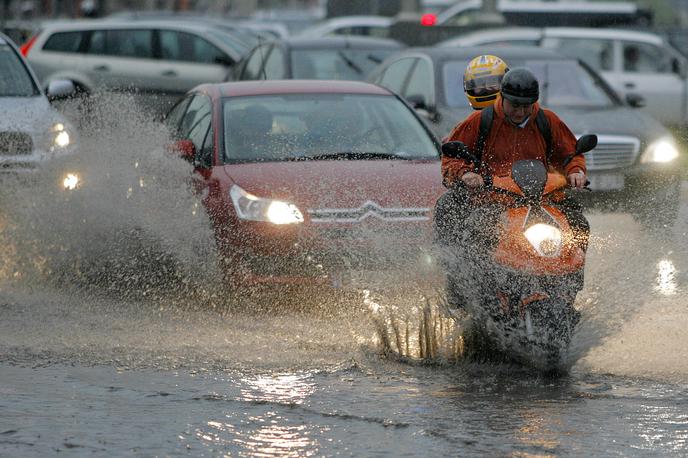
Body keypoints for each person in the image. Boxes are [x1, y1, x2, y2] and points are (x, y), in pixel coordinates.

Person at [434, 67, 589, 306]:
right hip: (493, 200)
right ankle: (475, 291)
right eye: (514, 105)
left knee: (579, 224)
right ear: (502, 98)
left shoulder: (547, 120)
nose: (520, 111)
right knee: (478, 232)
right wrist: (466, 174)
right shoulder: (480, 120)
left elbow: (570, 154)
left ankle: (569, 288)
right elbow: (451, 158)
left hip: (543, 200)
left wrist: (575, 172)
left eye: (526, 106)